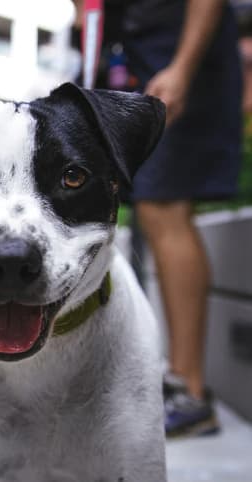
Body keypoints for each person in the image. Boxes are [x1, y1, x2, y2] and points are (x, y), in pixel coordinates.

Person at [75, 0, 243, 438]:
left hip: (180, 56)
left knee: (163, 206)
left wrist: (183, 68)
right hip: (132, 53)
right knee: (137, 204)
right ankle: (168, 382)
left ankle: (190, 392)